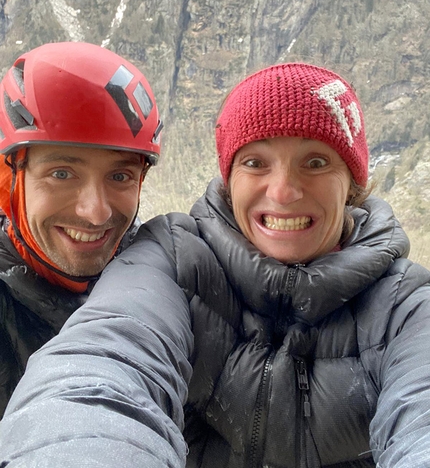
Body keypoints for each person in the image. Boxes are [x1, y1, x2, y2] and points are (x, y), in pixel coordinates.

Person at [1, 62, 430, 468]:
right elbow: (104, 367)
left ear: (351, 180)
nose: (282, 192)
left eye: (315, 162)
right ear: (229, 179)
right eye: (255, 162)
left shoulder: (405, 305)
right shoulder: (173, 257)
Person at [0, 41, 162, 416]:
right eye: (61, 173)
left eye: (120, 175)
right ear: (12, 180)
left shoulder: (167, 282)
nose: (95, 213)